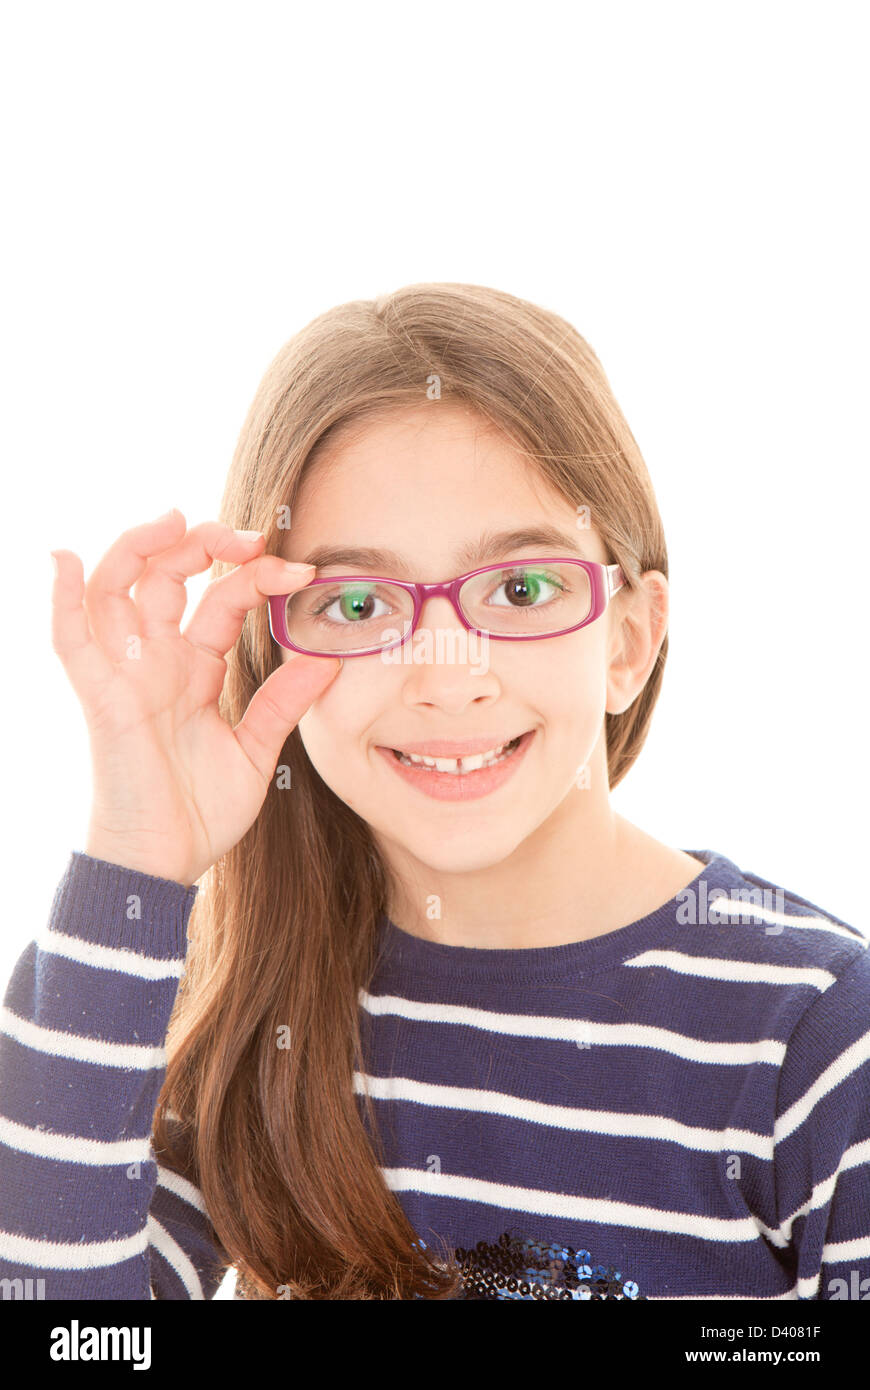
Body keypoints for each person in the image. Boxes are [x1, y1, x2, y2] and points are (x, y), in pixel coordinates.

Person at [1, 283, 867, 1300]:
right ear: (271, 647)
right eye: (358, 601)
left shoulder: (816, 1041)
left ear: (629, 640)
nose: (447, 673)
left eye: (520, 589)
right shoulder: (241, 1004)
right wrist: (137, 849)